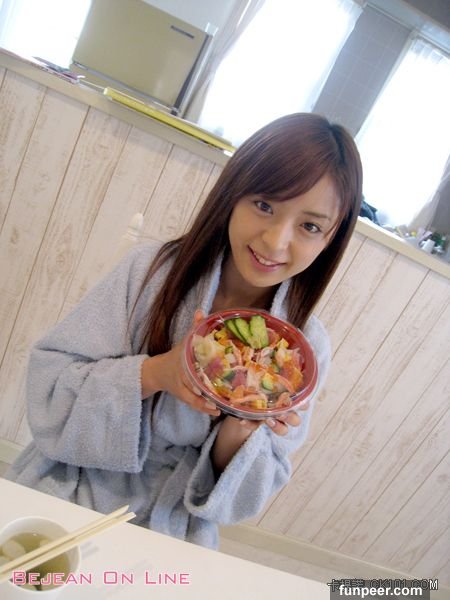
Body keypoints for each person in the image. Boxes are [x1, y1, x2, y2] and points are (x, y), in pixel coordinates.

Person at [6, 113, 363, 549]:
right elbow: (49, 386)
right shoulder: (151, 271)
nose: (275, 241)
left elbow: (244, 493)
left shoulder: (303, 351)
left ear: (330, 240)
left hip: (170, 524)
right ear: (233, 194)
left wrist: (243, 428)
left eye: (310, 226)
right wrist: (158, 373)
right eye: (264, 205)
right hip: (73, 484)